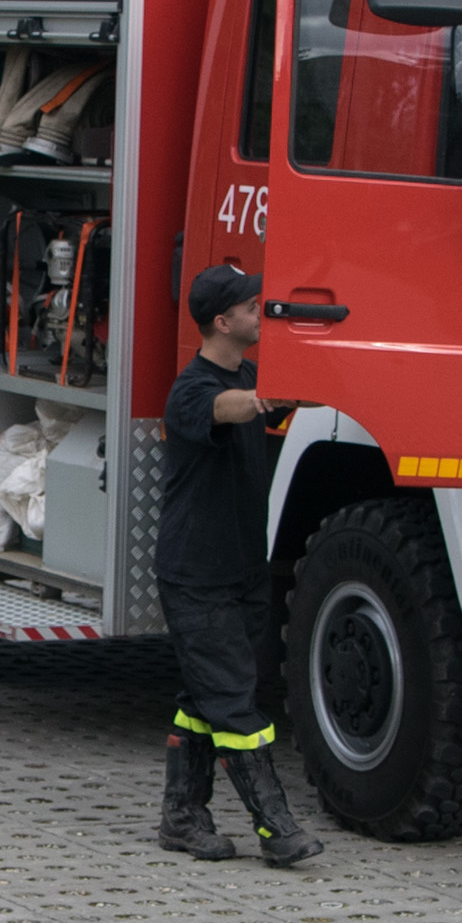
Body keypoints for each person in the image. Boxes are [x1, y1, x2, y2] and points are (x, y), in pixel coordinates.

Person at [154, 262, 318, 865]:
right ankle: (277, 828)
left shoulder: (250, 373)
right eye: (253, 307)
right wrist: (258, 400)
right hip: (196, 574)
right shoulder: (193, 390)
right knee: (233, 701)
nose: (262, 313)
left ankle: (181, 818)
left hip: (244, 567)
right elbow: (227, 408)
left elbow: (270, 397)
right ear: (222, 322)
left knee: (208, 695)